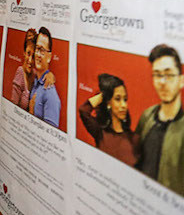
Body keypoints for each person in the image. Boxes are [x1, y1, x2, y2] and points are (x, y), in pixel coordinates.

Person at [135, 44, 184, 194]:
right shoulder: (147, 117)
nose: (162, 82)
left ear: (181, 80)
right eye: (157, 75)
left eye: (169, 75)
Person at [78, 73, 138, 166]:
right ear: (108, 103)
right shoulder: (100, 132)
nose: (124, 105)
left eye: (125, 99)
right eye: (117, 99)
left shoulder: (134, 139)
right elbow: (84, 110)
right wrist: (104, 95)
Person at [28, 27, 61, 127]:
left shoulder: (50, 94)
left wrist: (31, 113)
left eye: (42, 50)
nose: (38, 54)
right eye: (37, 49)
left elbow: (49, 134)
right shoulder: (35, 81)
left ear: (49, 57)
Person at [7, 28, 38, 110]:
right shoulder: (20, 72)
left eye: (33, 56)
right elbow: (13, 107)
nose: (30, 60)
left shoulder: (34, 74)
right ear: (24, 53)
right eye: (28, 54)